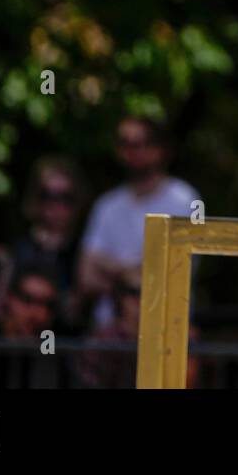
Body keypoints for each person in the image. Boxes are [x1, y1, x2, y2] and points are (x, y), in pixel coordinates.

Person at [76, 117, 200, 328]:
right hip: (109, 333)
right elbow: (86, 277)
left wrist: (112, 270)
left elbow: (180, 270)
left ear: (159, 148)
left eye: (140, 143)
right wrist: (135, 273)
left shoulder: (185, 200)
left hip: (167, 331)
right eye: (125, 143)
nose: (133, 152)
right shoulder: (106, 206)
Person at [0, 155, 87, 331]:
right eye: (48, 196)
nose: (56, 205)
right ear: (36, 198)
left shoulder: (83, 251)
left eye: (65, 197)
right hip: (17, 343)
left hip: (58, 344)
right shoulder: (17, 248)